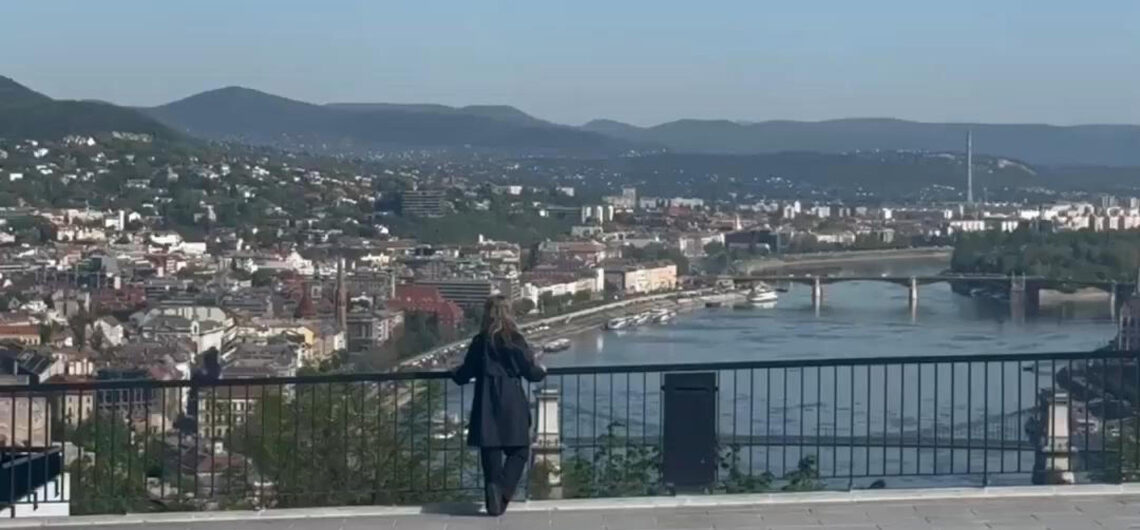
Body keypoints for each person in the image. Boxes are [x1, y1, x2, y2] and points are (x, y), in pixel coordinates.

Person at [451, 296, 546, 516]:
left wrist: (456, 373)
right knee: (520, 450)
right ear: (509, 313)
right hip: (511, 397)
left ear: (487, 314)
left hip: (485, 398)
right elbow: (531, 372)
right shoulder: (516, 340)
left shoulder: (480, 341)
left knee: (490, 451)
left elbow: (465, 373)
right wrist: (542, 371)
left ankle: (494, 493)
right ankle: (502, 492)